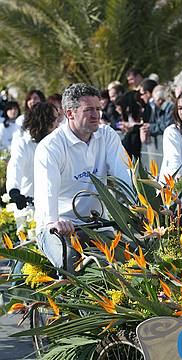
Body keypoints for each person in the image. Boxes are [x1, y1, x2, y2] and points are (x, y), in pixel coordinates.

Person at [34, 83, 131, 271]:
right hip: (59, 226)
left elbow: (123, 174)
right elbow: (47, 192)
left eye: (98, 109)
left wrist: (139, 205)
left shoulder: (107, 135)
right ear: (70, 113)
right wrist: (54, 222)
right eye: (88, 110)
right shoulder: (51, 147)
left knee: (128, 260)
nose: (96, 115)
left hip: (98, 224)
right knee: (71, 261)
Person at [6, 102, 59, 224]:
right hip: (27, 208)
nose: (58, 124)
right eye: (55, 119)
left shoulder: (56, 143)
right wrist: (14, 191)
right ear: (44, 120)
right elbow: (15, 167)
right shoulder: (23, 144)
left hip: (53, 209)